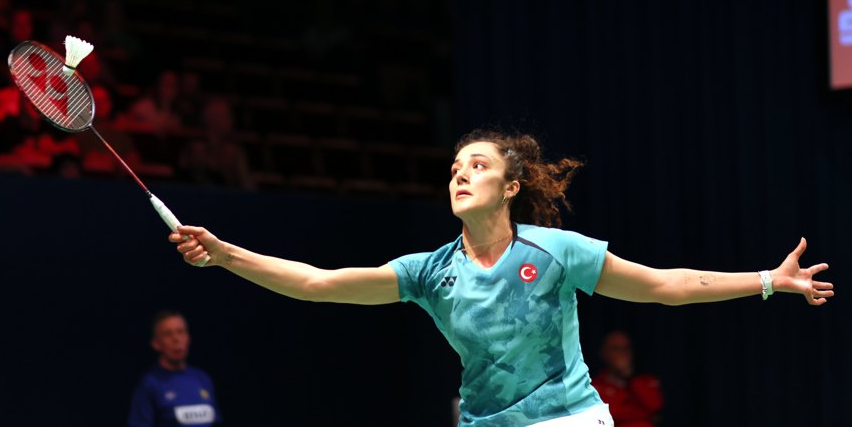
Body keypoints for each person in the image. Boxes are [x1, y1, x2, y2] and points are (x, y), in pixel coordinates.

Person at [169, 129, 832, 426]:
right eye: (455, 168)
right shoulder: (429, 272)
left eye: (478, 166)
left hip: (569, 420)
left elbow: (664, 285)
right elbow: (318, 283)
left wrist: (767, 280)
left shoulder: (556, 251)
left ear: (511, 186)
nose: (461, 174)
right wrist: (226, 255)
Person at [128, 310, 221, 427]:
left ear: (188, 338)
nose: (176, 339)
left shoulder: (202, 379)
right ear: (156, 344)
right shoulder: (149, 385)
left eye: (180, 332)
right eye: (168, 334)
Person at [591, 331, 663, 427]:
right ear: (603, 353)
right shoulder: (593, 387)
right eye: (616, 349)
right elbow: (608, 416)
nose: (623, 354)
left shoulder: (647, 381)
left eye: (626, 348)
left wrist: (629, 378)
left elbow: (656, 409)